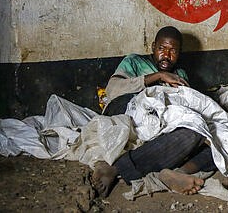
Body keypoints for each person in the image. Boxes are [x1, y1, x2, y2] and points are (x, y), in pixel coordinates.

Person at [91, 26, 217, 198]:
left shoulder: (180, 74)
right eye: (161, 48)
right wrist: (159, 77)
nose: (166, 55)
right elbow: (113, 90)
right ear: (152, 47)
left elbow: (188, 106)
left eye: (173, 50)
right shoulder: (134, 61)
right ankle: (117, 168)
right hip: (132, 118)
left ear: (179, 53)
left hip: (162, 126)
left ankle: (177, 173)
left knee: (210, 138)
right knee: (195, 135)